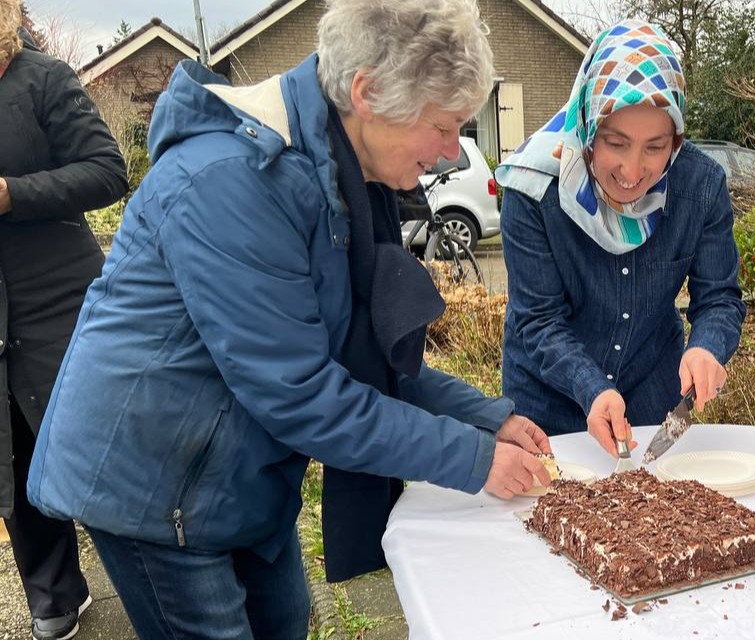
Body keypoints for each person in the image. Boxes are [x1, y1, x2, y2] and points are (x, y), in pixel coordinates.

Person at [27, 0, 551, 637]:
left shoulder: (342, 178)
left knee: (286, 624)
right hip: (157, 485)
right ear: (367, 93)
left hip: (239, 467)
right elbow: (301, 392)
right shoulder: (234, 179)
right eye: (442, 127)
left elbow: (362, 355)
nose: (449, 153)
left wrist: (486, 418)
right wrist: (473, 458)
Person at [497, 20, 746, 456]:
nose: (633, 171)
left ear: (676, 140)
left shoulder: (701, 187)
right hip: (547, 403)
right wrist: (591, 387)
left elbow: (720, 298)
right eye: (616, 143)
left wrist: (707, 347)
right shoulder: (532, 189)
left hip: (649, 396)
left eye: (655, 147)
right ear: (589, 126)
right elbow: (538, 320)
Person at [0, 1, 129, 637]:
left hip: (61, 303)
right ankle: (53, 594)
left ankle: (150, 574)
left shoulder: (43, 78)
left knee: (97, 448)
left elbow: (108, 172)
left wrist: (12, 193)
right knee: (14, 453)